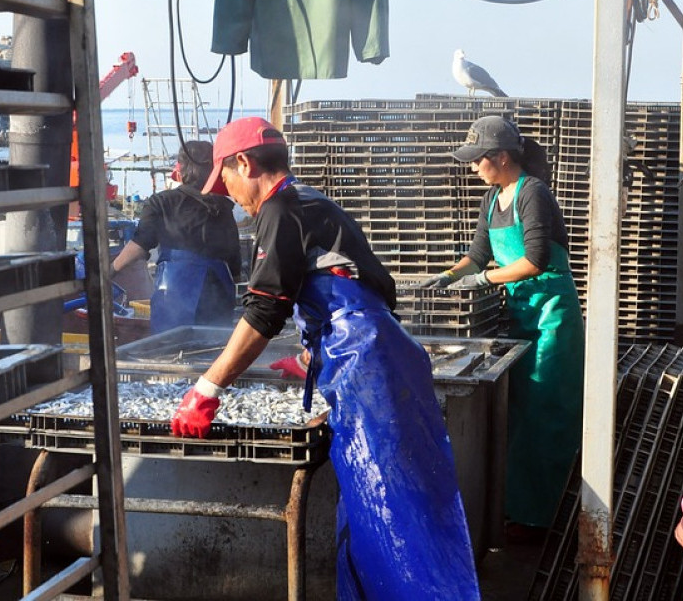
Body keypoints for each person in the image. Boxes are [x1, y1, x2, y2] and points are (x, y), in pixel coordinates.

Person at [170, 117, 479, 600]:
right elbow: (372, 289)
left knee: (392, 508)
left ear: (244, 163)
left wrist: (207, 389)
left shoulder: (278, 210)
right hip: (377, 359)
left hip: (369, 368)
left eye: (225, 179)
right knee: (391, 501)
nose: (227, 193)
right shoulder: (312, 203)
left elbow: (266, 309)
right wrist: (315, 353)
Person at [420, 115, 585, 535]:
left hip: (551, 317)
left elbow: (535, 260)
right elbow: (476, 255)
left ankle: (543, 516)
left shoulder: (533, 193)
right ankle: (516, 508)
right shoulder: (492, 199)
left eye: (478, 160)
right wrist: (449, 276)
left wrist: (485, 279)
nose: (473, 167)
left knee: (547, 412)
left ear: (503, 157)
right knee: (516, 413)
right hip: (518, 314)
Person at [111, 141, 242, 335]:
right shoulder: (223, 207)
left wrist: (111, 270)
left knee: (170, 348)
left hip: (175, 295)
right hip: (218, 292)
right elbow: (234, 260)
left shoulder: (161, 202)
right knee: (213, 350)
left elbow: (139, 245)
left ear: (180, 169)